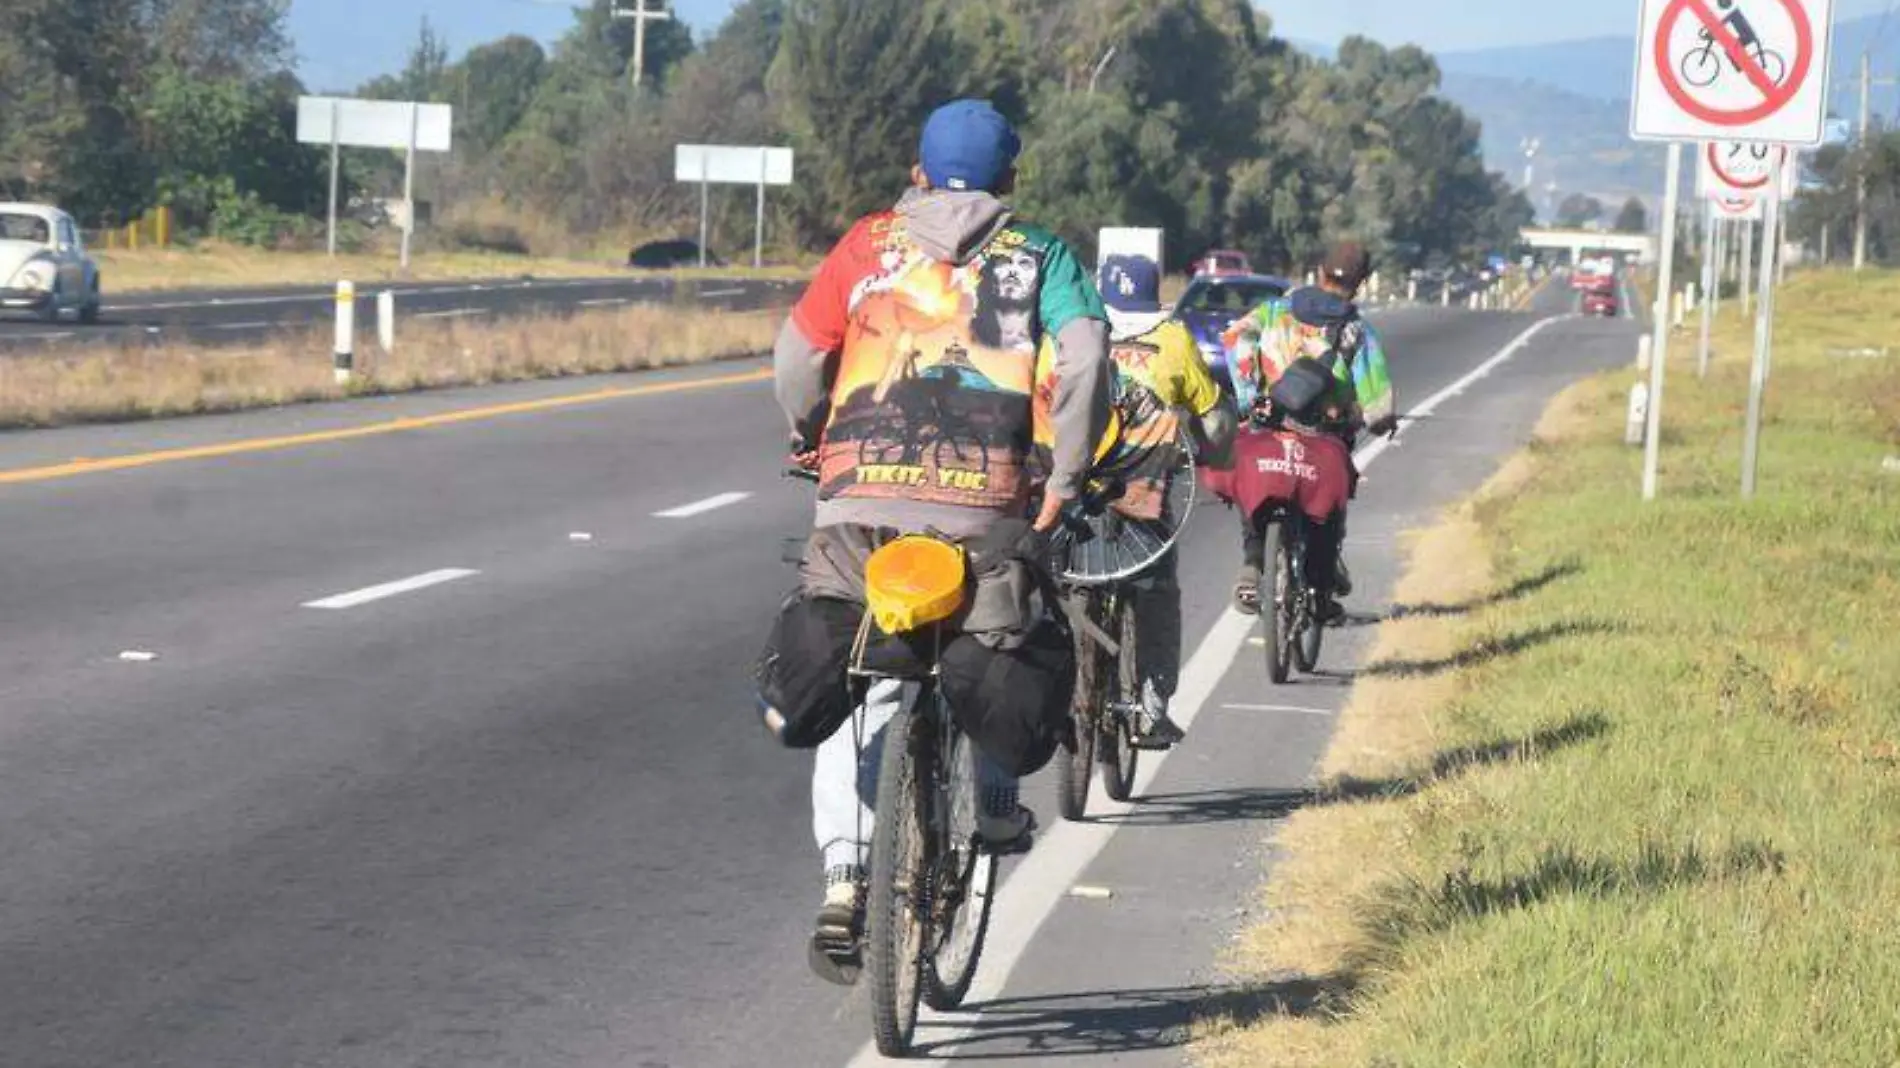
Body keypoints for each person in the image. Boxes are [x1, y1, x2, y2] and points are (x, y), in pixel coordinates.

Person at [761, 99, 1114, 982]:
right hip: (988, 503)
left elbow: (798, 354)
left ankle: (846, 877)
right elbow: (1085, 360)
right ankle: (995, 802)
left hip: (859, 507)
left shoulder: (866, 245)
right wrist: (1064, 480)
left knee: (856, 667)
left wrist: (811, 434)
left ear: (917, 171)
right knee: (998, 638)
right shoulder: (1043, 258)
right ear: (1009, 183)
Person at [1079, 253, 1236, 746]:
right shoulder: (1171, 339)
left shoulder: (1075, 335)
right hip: (1148, 490)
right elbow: (1212, 415)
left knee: (1060, 587)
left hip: (1078, 491)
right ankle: (1152, 708)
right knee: (1158, 594)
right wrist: (1217, 454)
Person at [1220, 241, 1395, 621]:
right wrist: (1379, 420)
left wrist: (1251, 397)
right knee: (1328, 506)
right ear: (1361, 282)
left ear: (1319, 272)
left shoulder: (1274, 310)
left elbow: (1236, 339)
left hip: (1269, 427)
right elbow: (1377, 399)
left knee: (1253, 482)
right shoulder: (1355, 330)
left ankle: (1253, 561)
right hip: (1324, 435)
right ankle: (1320, 585)